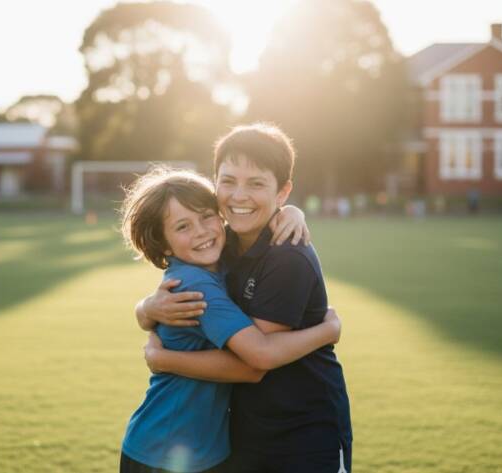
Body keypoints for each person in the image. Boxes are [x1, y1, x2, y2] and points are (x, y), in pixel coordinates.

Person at [138, 124, 353, 473]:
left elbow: (254, 362)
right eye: (228, 181)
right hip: (244, 433)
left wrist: (162, 359)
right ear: (215, 182)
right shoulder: (222, 241)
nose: (239, 195)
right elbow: (184, 294)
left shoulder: (288, 257)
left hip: (303, 436)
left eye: (256, 184)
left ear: (283, 191)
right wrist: (147, 309)